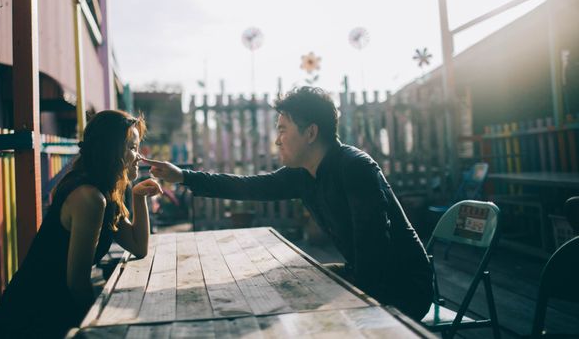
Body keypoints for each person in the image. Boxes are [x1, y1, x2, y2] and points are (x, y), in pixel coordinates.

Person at [144, 87, 433, 320]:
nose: (277, 140)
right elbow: (247, 186)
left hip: (403, 291)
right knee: (281, 286)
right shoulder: (302, 175)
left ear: (310, 132)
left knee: (294, 300)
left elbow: (374, 252)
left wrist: (348, 309)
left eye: (283, 130)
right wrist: (183, 176)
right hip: (365, 278)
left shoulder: (355, 168)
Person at [0, 110, 162, 338]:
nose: (139, 156)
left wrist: (138, 197)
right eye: (131, 147)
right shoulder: (89, 197)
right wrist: (99, 324)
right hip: (30, 320)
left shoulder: (104, 192)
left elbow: (138, 246)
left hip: (54, 311)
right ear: (109, 150)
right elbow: (77, 282)